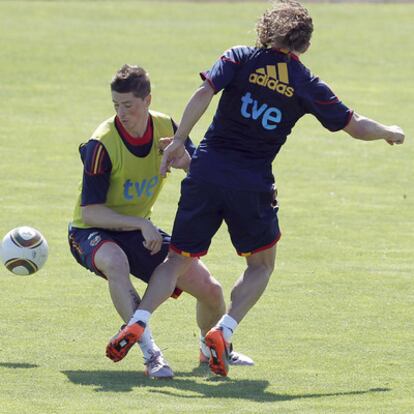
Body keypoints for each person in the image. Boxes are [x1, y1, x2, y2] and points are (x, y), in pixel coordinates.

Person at [106, 1, 405, 377]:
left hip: (206, 172)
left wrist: (180, 139)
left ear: (266, 28)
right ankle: (224, 331)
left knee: (176, 260)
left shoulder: (239, 56)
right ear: (304, 42)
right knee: (261, 265)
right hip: (251, 185)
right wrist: (388, 133)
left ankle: (140, 320)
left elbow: (203, 93)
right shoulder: (306, 83)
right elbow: (354, 124)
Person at [68, 64, 253, 379]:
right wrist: (140, 224)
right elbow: (90, 212)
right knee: (115, 261)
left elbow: (200, 174)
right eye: (116, 105)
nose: (121, 112)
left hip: (138, 229)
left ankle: (211, 351)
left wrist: (187, 163)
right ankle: (151, 355)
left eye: (128, 105)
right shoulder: (102, 144)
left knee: (211, 291)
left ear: (147, 100)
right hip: (91, 233)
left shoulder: (167, 128)